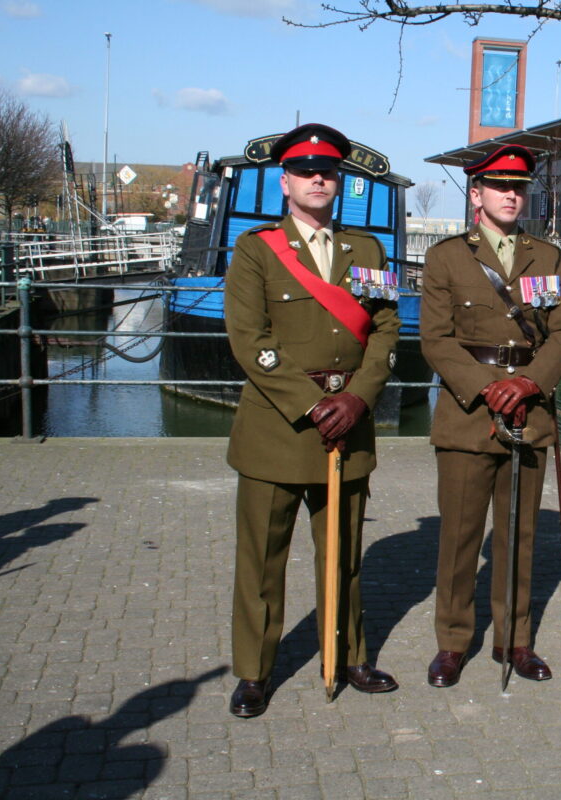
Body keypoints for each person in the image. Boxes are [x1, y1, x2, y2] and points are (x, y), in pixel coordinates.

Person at [224, 123, 401, 718]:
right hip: (279, 428)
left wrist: (358, 399)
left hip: (349, 424)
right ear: (286, 182)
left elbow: (385, 331)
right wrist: (310, 402)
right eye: (306, 171)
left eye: (328, 172)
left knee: (345, 555)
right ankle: (254, 672)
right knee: (261, 562)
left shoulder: (370, 252)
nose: (319, 179)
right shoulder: (256, 251)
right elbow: (250, 341)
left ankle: (349, 654)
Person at [420, 144, 561, 688]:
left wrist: (529, 383)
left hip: (529, 411)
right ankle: (452, 643)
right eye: (499, 185)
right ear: (477, 194)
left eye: (519, 186)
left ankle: (515, 640)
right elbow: (436, 340)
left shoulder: (548, 257)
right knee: (460, 539)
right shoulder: (446, 258)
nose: (511, 194)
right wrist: (490, 389)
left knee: (520, 535)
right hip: (469, 415)